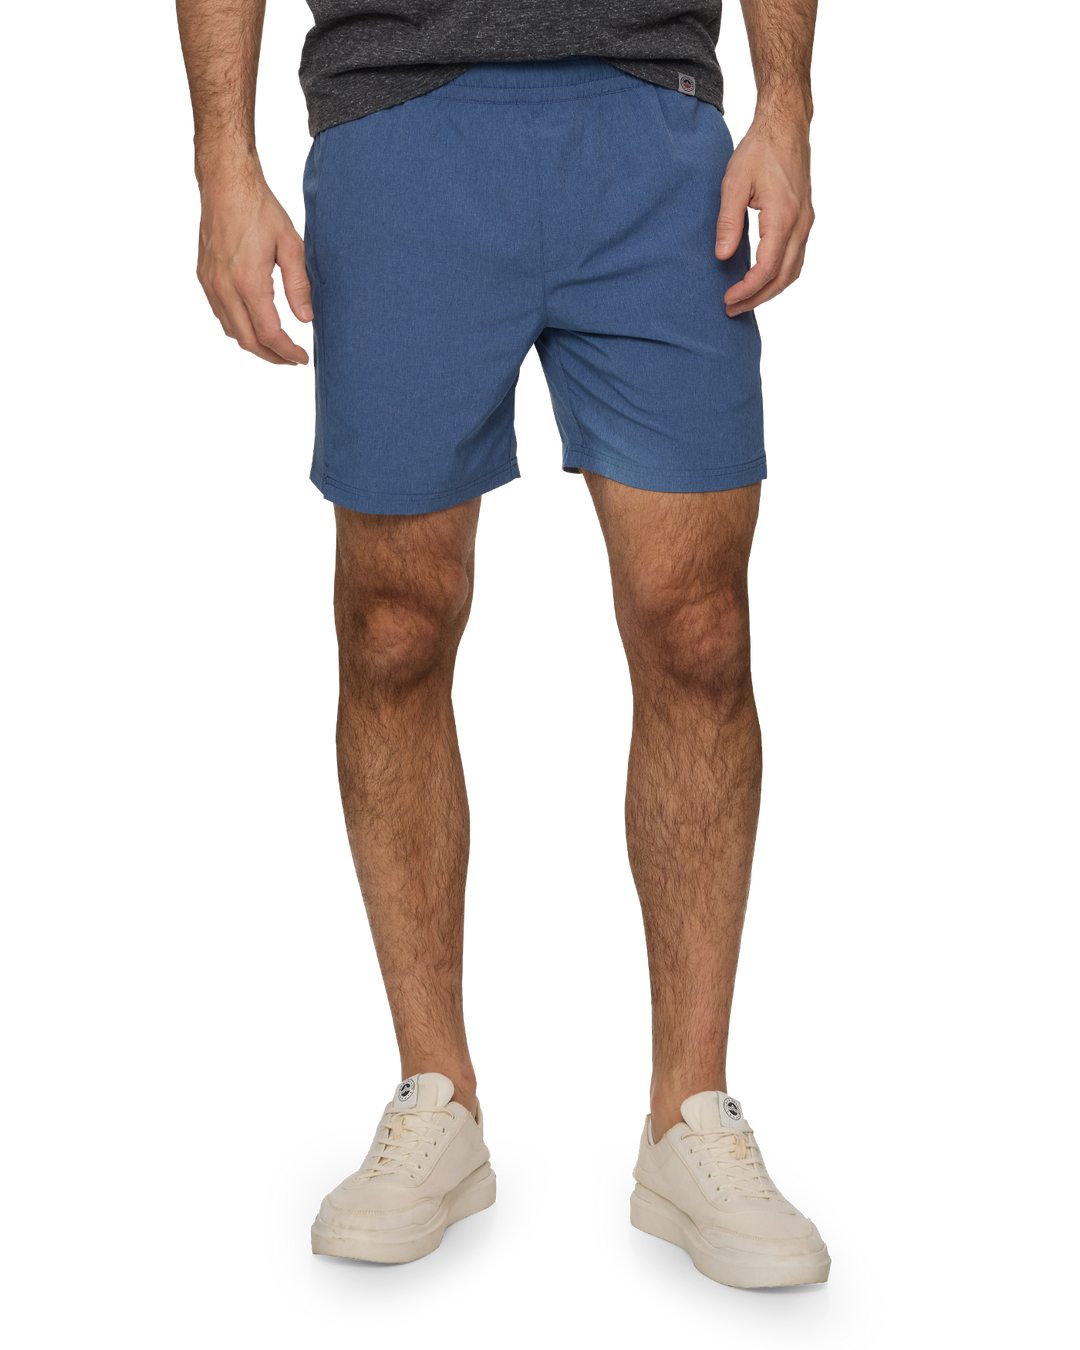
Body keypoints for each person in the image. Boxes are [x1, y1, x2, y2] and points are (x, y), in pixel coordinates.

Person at [175, 0, 825, 1289]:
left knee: (702, 629)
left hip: (659, 118)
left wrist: (789, 105)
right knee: (393, 627)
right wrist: (223, 162)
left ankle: (690, 1115)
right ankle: (438, 1096)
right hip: (394, 116)